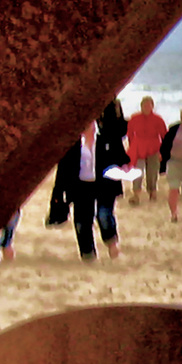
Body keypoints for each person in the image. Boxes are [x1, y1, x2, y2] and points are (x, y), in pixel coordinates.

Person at [49, 104, 129, 260]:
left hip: (104, 185)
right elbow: (64, 168)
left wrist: (124, 166)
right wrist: (59, 191)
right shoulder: (73, 143)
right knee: (82, 222)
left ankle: (112, 244)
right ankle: (88, 256)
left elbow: (120, 155)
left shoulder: (106, 137)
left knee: (104, 215)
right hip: (81, 187)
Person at [126, 95, 168, 201]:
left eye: (148, 105)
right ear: (141, 106)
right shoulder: (134, 118)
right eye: (144, 105)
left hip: (153, 147)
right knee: (137, 171)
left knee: (152, 172)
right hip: (138, 147)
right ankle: (136, 194)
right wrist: (132, 147)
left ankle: (152, 192)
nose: (146, 108)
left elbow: (165, 136)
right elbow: (130, 134)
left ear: (152, 106)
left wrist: (162, 152)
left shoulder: (158, 119)